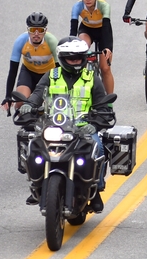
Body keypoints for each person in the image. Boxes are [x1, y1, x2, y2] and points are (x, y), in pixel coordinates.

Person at [20, 37, 115, 211]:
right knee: (33, 145)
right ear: (62, 58)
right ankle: (37, 184)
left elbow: (102, 105)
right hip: (54, 126)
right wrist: (28, 105)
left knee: (98, 146)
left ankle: (97, 188)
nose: (76, 61)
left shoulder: (91, 77)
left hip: (83, 128)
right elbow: (37, 94)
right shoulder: (52, 75)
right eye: (71, 58)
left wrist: (95, 124)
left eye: (79, 58)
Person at [3, 12, 58, 111]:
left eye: (40, 30)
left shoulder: (52, 41)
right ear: (27, 30)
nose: (36, 34)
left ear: (45, 31)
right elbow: (13, 71)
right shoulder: (20, 41)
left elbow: (60, 67)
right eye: (32, 30)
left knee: (50, 105)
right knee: (20, 103)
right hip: (29, 73)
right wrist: (8, 96)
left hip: (48, 74)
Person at [70, 0, 116, 94]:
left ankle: (109, 102)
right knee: (81, 49)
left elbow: (106, 28)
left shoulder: (104, 6)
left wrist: (107, 47)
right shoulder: (77, 7)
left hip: (103, 31)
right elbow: (73, 30)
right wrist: (72, 47)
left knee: (105, 68)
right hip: (87, 29)